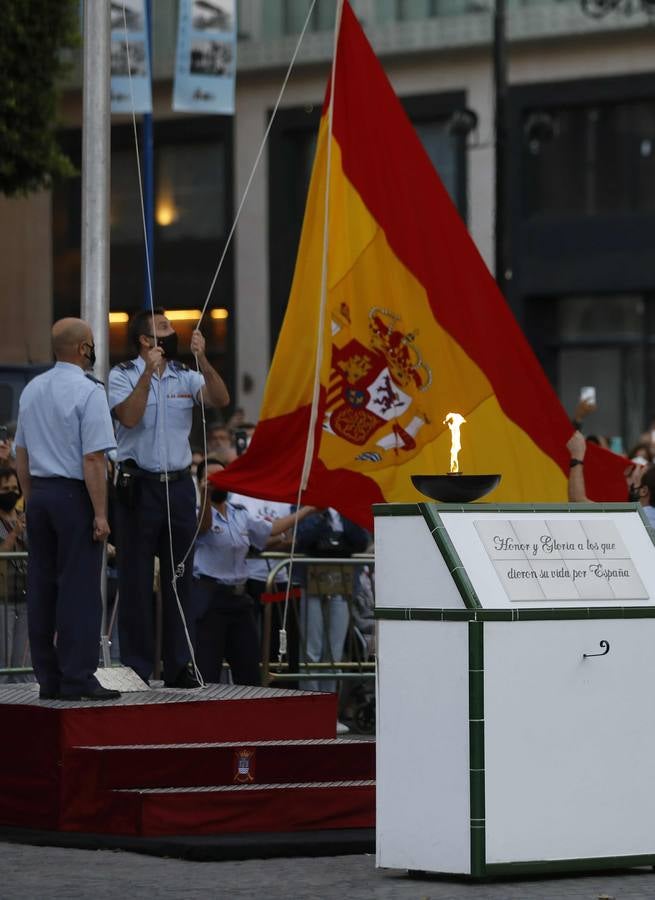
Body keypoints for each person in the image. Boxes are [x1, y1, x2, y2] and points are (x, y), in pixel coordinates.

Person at [108, 308, 229, 688]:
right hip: (138, 486)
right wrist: (148, 373)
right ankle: (136, 667)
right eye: (162, 328)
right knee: (136, 580)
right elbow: (128, 418)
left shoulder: (185, 375)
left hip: (177, 487)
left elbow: (219, 398)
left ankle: (180, 664)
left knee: (181, 579)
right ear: (145, 341)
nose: (170, 332)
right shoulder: (121, 375)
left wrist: (203, 358)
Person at [14, 318, 118, 701]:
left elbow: (20, 454)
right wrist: (101, 513)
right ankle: (78, 677)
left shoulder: (32, 389)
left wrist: (30, 499)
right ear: (83, 348)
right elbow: (93, 458)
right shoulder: (89, 392)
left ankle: (49, 677)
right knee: (78, 588)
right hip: (74, 496)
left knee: (41, 587)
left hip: (40, 494)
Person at [192, 459, 314, 685]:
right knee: (207, 670)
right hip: (210, 598)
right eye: (211, 479)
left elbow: (271, 528)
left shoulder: (239, 514)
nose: (218, 484)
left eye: (222, 478)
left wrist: (308, 509)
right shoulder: (197, 512)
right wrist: (205, 496)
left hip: (239, 596)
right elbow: (204, 527)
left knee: (249, 668)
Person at [566, 430, 655, 523]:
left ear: (644, 491)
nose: (630, 482)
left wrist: (577, 456)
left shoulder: (637, 517)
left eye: (636, 479)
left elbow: (577, 503)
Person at [0, 466, 30, 682]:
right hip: (2, 601)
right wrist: (15, 533)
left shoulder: (24, 517)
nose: (11, 492)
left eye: (13, 488)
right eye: (4, 489)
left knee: (22, 662)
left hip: (25, 597)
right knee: (3, 660)